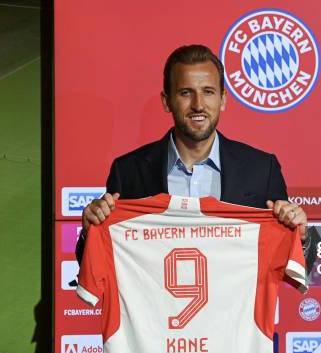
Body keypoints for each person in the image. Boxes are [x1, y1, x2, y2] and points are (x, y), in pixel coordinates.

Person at [75, 44, 308, 263]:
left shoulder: (261, 169)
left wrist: (301, 236)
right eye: (186, 93)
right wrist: (90, 233)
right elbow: (101, 264)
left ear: (223, 99)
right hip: (156, 307)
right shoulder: (128, 171)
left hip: (235, 307)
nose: (198, 105)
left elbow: (299, 267)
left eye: (208, 92)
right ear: (167, 101)